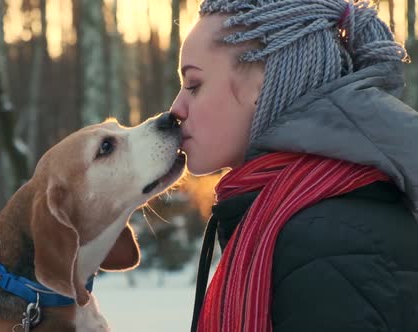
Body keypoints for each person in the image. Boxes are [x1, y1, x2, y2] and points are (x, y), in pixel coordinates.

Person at [168, 0, 418, 331]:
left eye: (194, 85)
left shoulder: (327, 241)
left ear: (263, 83)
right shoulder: (308, 211)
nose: (176, 108)